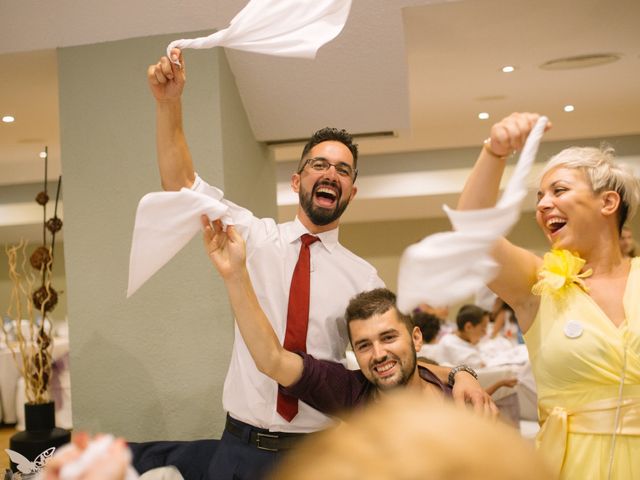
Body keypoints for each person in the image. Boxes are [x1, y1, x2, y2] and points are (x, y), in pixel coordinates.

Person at [147, 48, 492, 479]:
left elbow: (390, 362)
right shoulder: (252, 236)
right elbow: (180, 188)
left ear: (352, 191)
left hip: (320, 453)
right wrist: (168, 103)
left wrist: (461, 373)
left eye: (343, 170)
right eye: (319, 165)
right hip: (240, 447)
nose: (331, 173)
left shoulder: (363, 278)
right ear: (297, 181)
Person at [457, 112, 640, 479]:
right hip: (573, 466)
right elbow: (470, 234)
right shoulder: (535, 283)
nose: (542, 205)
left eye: (559, 191)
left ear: (608, 203)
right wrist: (494, 153)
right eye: (540, 196)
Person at [203, 218, 495, 417]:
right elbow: (272, 359)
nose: (379, 354)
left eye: (389, 337)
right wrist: (235, 275)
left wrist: (463, 374)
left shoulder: (460, 400)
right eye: (364, 345)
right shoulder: (353, 394)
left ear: (416, 338)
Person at [437, 304, 489, 369]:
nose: (485, 333)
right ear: (468, 327)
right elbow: (482, 367)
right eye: (483, 328)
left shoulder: (459, 338)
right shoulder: (450, 344)